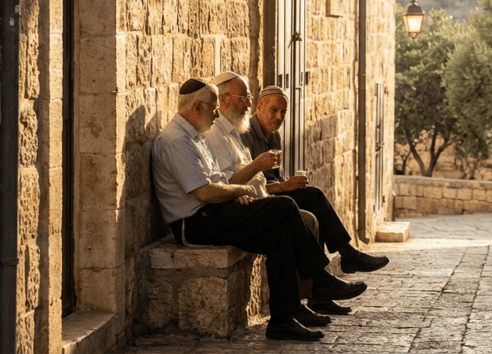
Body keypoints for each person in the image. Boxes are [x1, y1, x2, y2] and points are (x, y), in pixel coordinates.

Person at [151, 79, 368, 342]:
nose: (217, 112)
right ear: (198, 107)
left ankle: (282, 320)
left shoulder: (195, 137)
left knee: (281, 235)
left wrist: (233, 192)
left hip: (213, 213)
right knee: (285, 206)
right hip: (195, 223)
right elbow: (204, 192)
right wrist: (242, 191)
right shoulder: (176, 140)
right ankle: (321, 280)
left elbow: (220, 182)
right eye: (213, 107)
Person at [202, 71, 335, 321]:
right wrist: (252, 176)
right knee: (289, 211)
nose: (248, 105)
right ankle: (321, 282)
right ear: (223, 100)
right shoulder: (213, 136)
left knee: (291, 224)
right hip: (229, 211)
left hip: (250, 200)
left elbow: (241, 178)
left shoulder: (231, 133)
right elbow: (219, 184)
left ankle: (291, 311)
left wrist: (274, 183)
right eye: (244, 98)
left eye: (249, 98)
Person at [241, 85, 390, 289]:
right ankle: (340, 265)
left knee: (314, 203)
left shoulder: (274, 136)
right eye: (274, 110)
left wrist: (288, 184)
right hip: (259, 201)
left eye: (283, 112)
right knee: (312, 202)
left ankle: (323, 290)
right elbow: (250, 184)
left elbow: (273, 177)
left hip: (274, 193)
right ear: (258, 106)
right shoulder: (245, 135)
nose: (279, 116)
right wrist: (284, 187)